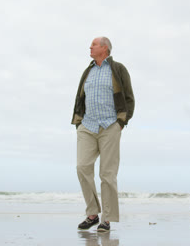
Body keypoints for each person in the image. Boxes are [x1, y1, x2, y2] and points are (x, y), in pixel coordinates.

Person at [71, 37, 135, 232]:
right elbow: (79, 97)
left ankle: (106, 219)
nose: (90, 47)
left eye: (94, 44)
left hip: (110, 126)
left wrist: (121, 122)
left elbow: (129, 97)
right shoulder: (88, 71)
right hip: (87, 126)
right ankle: (92, 214)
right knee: (82, 167)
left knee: (107, 174)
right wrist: (78, 121)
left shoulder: (118, 69)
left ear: (104, 48)